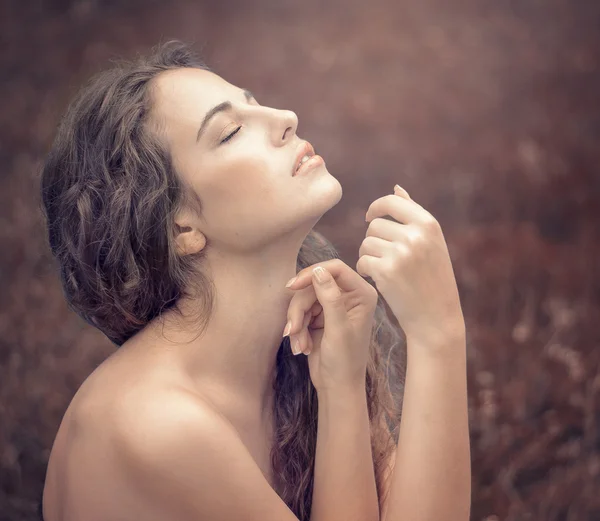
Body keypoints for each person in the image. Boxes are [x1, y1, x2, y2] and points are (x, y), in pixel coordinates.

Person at [39, 40, 470, 521]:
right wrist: (437, 334)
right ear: (180, 227)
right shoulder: (155, 425)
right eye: (230, 132)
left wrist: (344, 386)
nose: (285, 115)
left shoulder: (295, 358)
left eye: (256, 101)